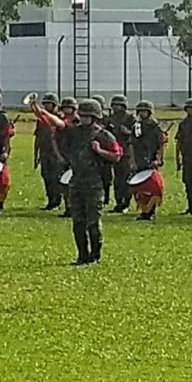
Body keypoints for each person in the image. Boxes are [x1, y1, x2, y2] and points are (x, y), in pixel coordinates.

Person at [59, 99, 123, 266]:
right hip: (77, 181)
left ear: (94, 117)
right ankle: (82, 255)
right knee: (78, 222)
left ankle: (95, 256)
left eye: (87, 116)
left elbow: (116, 156)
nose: (84, 119)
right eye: (82, 115)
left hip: (95, 183)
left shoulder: (104, 135)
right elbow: (62, 134)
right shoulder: (74, 133)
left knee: (93, 222)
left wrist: (99, 151)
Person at [130, 100, 165, 221]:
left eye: (145, 111)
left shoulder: (156, 127)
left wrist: (158, 159)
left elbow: (161, 144)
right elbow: (132, 144)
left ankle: (151, 210)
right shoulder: (136, 126)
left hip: (151, 158)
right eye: (141, 111)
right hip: (139, 158)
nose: (142, 113)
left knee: (151, 187)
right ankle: (143, 210)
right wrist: (133, 161)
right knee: (139, 187)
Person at [34, 93, 63, 211]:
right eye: (45, 104)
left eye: (49, 104)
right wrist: (35, 154)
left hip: (56, 153)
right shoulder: (41, 120)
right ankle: (50, 199)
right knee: (46, 176)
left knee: (56, 177)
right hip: (45, 152)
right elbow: (38, 137)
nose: (46, 106)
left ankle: (57, 199)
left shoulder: (59, 118)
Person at [107, 94, 136, 213]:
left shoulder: (130, 119)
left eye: (118, 105)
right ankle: (119, 202)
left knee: (126, 177)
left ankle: (126, 202)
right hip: (115, 151)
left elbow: (137, 134)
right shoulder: (111, 118)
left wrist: (127, 132)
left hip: (127, 151)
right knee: (117, 179)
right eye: (114, 105)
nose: (115, 107)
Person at [54, 96, 78, 217]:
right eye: (65, 108)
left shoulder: (78, 123)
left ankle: (75, 207)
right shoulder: (60, 122)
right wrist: (59, 155)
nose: (67, 110)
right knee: (63, 183)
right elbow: (55, 140)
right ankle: (68, 206)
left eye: (69, 108)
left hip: (77, 157)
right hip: (64, 155)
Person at [92, 95, 114, 206]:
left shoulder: (107, 119)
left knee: (107, 177)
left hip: (105, 150)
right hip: (93, 150)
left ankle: (106, 197)